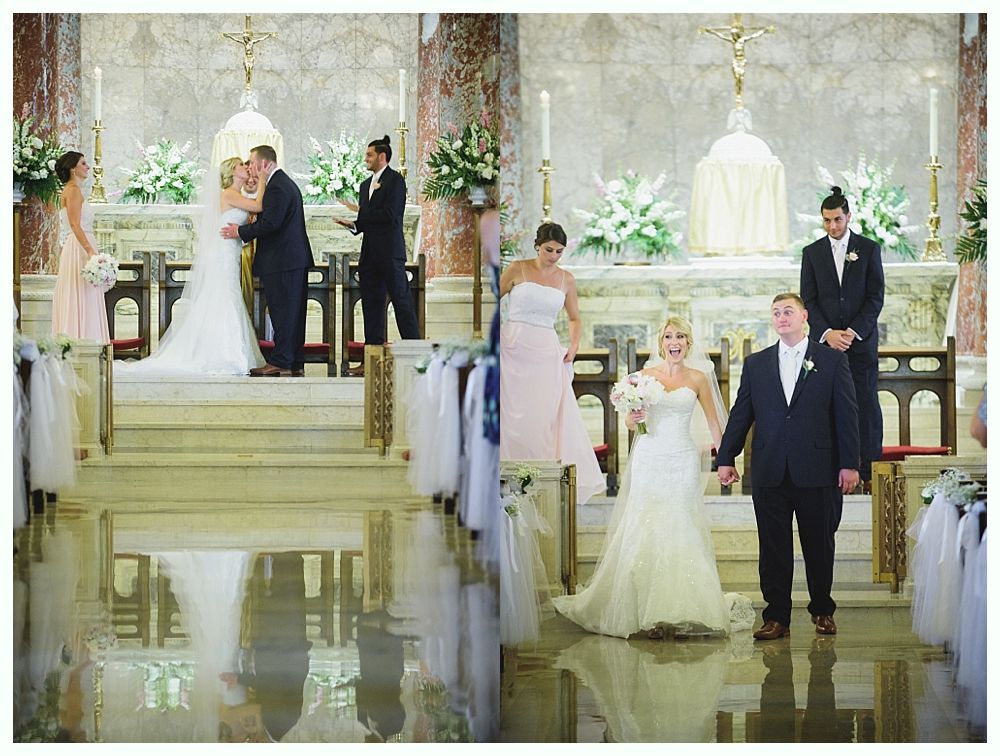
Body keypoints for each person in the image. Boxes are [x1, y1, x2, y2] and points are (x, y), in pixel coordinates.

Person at [553, 315, 753, 639]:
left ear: (689, 343)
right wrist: (634, 417)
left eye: (681, 337)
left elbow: (716, 426)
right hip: (649, 457)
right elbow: (632, 425)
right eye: (669, 337)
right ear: (661, 343)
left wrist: (727, 460)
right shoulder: (643, 377)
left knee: (680, 525)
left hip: (682, 460)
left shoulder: (700, 378)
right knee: (644, 525)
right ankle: (644, 611)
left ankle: (677, 610)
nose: (675, 342)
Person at [717, 293, 860, 641]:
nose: (782, 317)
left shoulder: (831, 360)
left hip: (817, 467)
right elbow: (742, 414)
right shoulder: (757, 364)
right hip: (769, 468)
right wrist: (725, 457)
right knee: (773, 546)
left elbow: (847, 415)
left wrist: (849, 464)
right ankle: (776, 616)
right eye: (776, 313)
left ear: (804, 316)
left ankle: (822, 609)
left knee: (818, 543)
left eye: (788, 312)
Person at [117, 158, 265, 376]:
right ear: (233, 172)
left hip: (230, 251)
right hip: (224, 254)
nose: (247, 168)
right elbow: (259, 206)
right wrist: (262, 180)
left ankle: (230, 351)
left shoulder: (236, 195)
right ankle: (225, 354)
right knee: (225, 296)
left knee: (227, 296)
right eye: (242, 165)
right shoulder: (228, 193)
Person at [499, 222, 604, 505]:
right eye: (548, 250)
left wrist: (573, 345)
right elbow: (490, 301)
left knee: (542, 414)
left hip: (545, 350)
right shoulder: (517, 269)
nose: (553, 256)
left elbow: (574, 318)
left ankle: (540, 480)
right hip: (513, 346)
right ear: (537, 246)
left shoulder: (566, 279)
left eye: (559, 251)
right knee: (511, 412)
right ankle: (507, 474)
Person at [800, 186, 884, 493]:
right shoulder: (812, 253)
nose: (833, 226)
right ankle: (830, 465)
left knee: (865, 403)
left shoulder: (869, 249)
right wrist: (827, 334)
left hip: (860, 344)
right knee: (825, 404)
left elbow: (875, 296)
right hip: (825, 346)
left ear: (848, 216)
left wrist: (852, 332)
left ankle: (870, 469)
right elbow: (808, 298)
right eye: (827, 221)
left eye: (837, 219)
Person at [222, 144, 313, 377]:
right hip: (288, 259)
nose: (251, 167)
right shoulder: (279, 183)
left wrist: (241, 233)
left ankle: (282, 360)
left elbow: (271, 223)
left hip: (283, 260)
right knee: (291, 312)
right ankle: (294, 361)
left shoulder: (277, 187)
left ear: (265, 163)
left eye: (252, 162)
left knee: (284, 313)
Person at [335, 136, 420, 351]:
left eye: (369, 155)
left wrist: (361, 211)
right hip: (370, 255)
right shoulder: (365, 185)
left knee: (401, 302)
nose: (366, 159)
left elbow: (391, 215)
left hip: (390, 253)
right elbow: (367, 222)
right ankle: (372, 353)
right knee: (371, 304)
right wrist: (353, 225)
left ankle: (414, 351)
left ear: (382, 156)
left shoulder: (396, 181)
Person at [50, 151, 110, 343]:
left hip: (76, 245)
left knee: (82, 293)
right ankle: (84, 341)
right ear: (72, 168)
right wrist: (90, 251)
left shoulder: (70, 189)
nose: (88, 167)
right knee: (83, 293)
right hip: (79, 248)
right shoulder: (73, 190)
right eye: (83, 163)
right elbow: (75, 224)